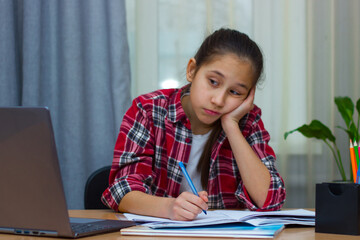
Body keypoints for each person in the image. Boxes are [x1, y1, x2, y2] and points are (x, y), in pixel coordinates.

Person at [102, 28, 286, 221]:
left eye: (235, 92)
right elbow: (122, 190)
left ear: (248, 95)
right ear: (192, 70)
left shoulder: (248, 121)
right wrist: (169, 208)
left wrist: (231, 125)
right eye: (213, 82)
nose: (218, 100)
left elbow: (270, 201)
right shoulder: (148, 110)